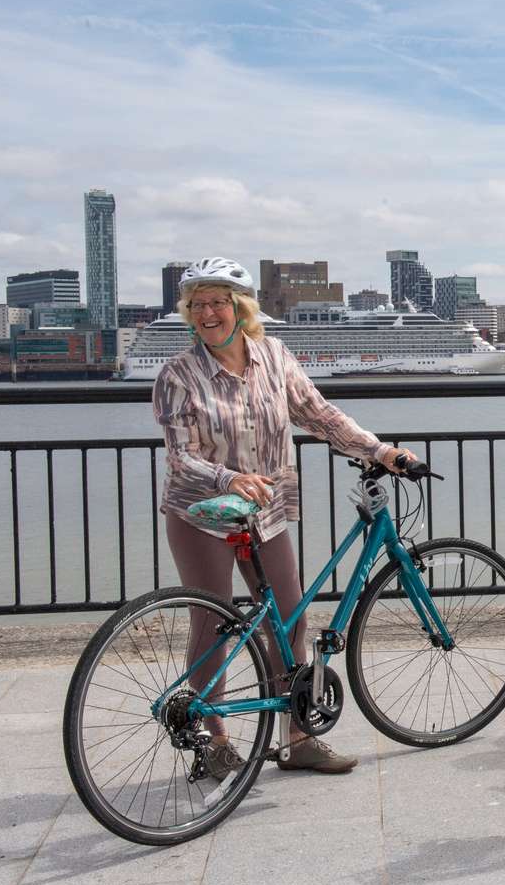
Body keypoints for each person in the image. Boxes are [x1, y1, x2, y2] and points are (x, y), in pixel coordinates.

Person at [153, 256, 418, 778]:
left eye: (218, 303)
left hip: (266, 514)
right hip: (202, 513)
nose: (208, 313)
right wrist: (227, 479)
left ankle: (298, 739)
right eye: (198, 305)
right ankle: (216, 743)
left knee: (291, 621)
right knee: (213, 622)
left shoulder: (273, 356)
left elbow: (318, 414)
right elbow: (180, 457)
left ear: (240, 309)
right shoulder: (177, 375)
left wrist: (378, 450)